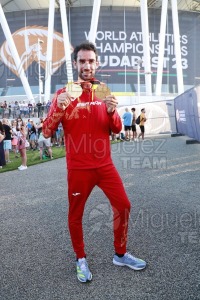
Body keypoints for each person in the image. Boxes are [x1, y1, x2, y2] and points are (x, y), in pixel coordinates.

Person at [42, 41, 146, 283]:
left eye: (91, 61)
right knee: (75, 214)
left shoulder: (104, 91)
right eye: (82, 61)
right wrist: (58, 108)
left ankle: (120, 254)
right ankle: (80, 258)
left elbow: (117, 128)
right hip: (79, 168)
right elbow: (47, 132)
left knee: (124, 205)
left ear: (97, 64)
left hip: (105, 165)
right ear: (75, 64)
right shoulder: (63, 94)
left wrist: (112, 112)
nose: (87, 65)